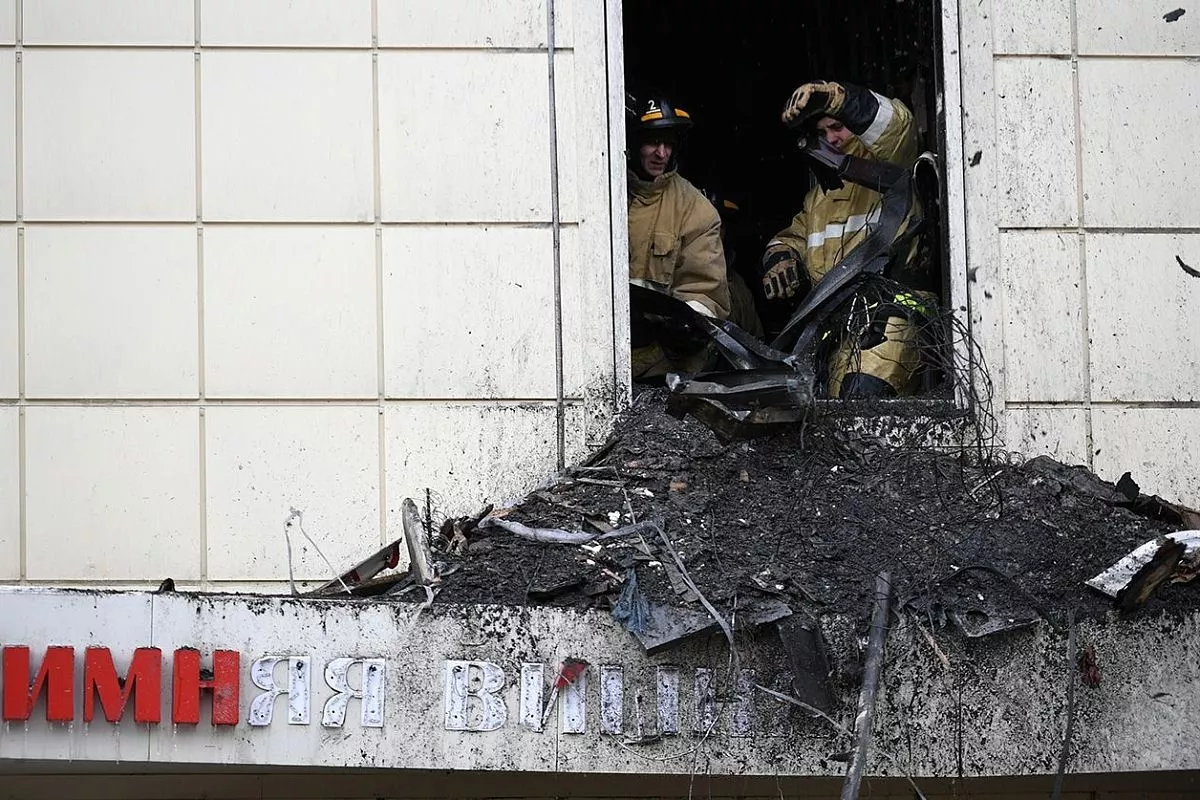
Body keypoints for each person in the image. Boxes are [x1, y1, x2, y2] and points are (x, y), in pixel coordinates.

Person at [759, 81, 932, 398]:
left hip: (887, 324)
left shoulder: (893, 161)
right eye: (823, 132)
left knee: (866, 406)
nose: (831, 139)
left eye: (838, 127)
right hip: (834, 334)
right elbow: (793, 236)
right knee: (835, 434)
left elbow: (895, 124)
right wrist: (781, 255)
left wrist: (838, 98)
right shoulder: (819, 198)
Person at [626, 95, 731, 379]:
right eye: (652, 142)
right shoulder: (605, 193)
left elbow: (707, 294)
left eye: (668, 143)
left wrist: (685, 327)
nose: (661, 153)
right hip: (606, 355)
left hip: (664, 362)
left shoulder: (695, 209)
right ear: (633, 144)